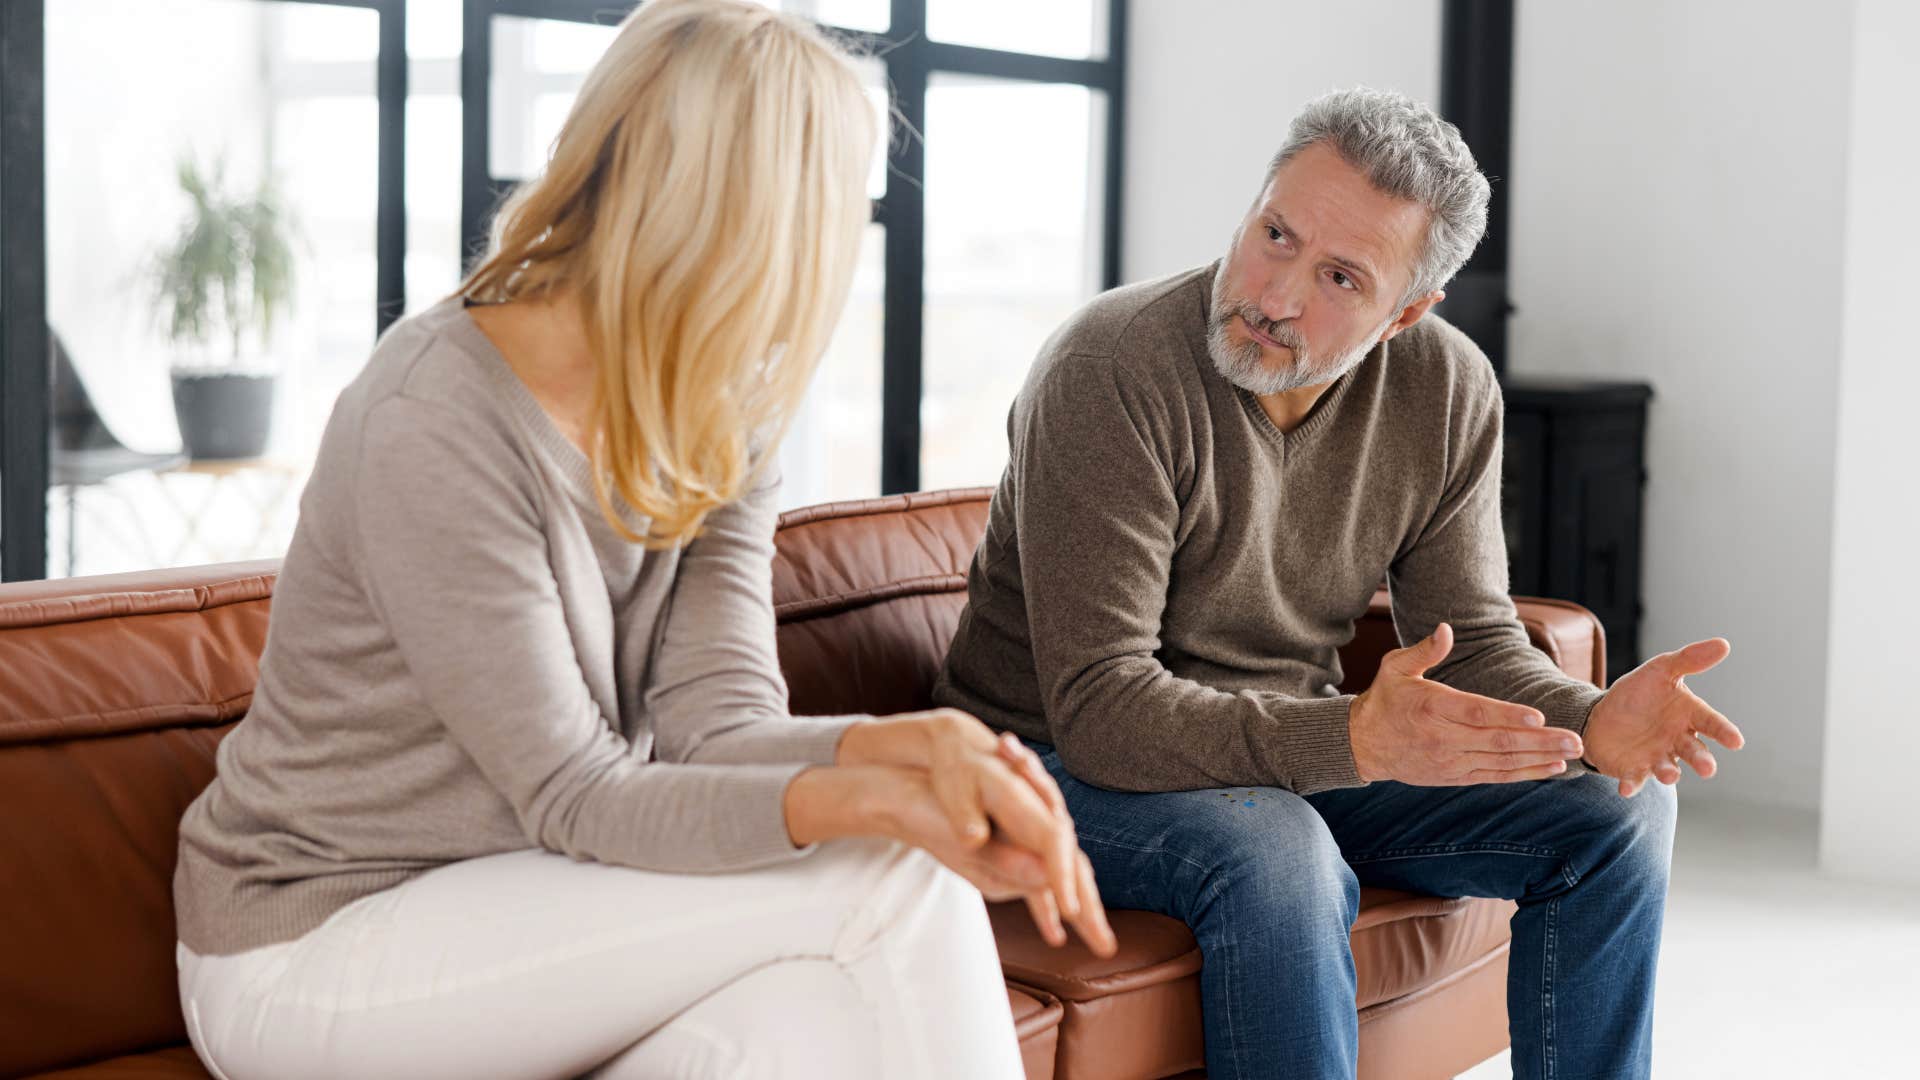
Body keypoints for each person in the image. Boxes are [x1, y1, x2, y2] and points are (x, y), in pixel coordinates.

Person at [172, 3, 1113, 1078]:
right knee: (895, 874)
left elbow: (719, 726)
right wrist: (880, 801)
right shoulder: (431, 415)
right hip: (310, 943)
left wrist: (918, 747)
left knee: (810, 1018)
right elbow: (579, 793)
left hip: (531, 901)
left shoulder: (721, 409)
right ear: (742, 220)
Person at [934, 86, 1745, 1080]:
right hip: (1052, 760)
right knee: (1279, 847)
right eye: (1274, 234)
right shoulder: (1111, 367)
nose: (1275, 296)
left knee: (1619, 812)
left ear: (1406, 313)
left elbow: (1475, 644)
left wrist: (1589, 719)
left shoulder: (1446, 389)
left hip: (1281, 749)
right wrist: (1349, 739)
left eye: (1340, 278)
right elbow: (1101, 708)